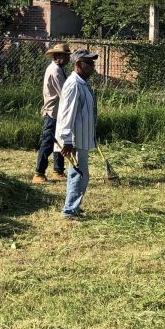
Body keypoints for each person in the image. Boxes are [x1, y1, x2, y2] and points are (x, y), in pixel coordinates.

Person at [55, 49, 98, 220]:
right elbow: (67, 114)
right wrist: (66, 139)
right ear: (79, 65)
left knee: (81, 174)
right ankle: (69, 210)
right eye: (90, 64)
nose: (93, 67)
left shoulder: (82, 83)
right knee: (78, 174)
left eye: (93, 63)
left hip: (82, 137)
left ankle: (73, 207)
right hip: (74, 139)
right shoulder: (73, 84)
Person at [32, 43, 71, 184]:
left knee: (59, 142)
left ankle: (58, 171)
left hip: (59, 112)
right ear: (58, 56)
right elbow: (64, 94)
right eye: (66, 56)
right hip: (52, 112)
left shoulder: (59, 69)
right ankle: (39, 173)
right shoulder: (55, 70)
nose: (68, 58)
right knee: (48, 142)